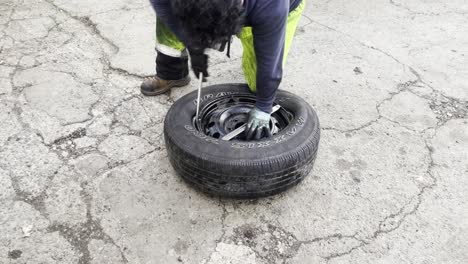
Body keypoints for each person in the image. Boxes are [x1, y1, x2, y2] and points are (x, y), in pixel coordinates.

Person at [142, 0, 305, 140]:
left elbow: (270, 61)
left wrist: (264, 106)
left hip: (280, 9)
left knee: (259, 85)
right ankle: (171, 73)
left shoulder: (271, 7)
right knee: (174, 16)